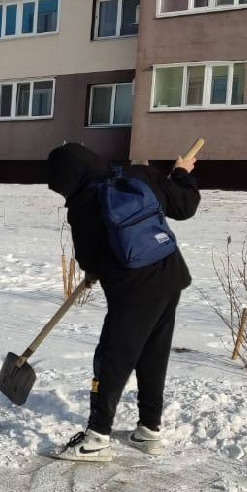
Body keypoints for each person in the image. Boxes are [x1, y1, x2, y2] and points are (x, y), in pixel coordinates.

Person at [46, 143, 200, 461]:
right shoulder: (139, 174)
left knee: (112, 360)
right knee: (152, 356)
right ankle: (148, 431)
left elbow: (90, 257)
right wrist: (182, 174)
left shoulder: (83, 203)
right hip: (170, 277)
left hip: (132, 292)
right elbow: (184, 206)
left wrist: (93, 272)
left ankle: (97, 437)